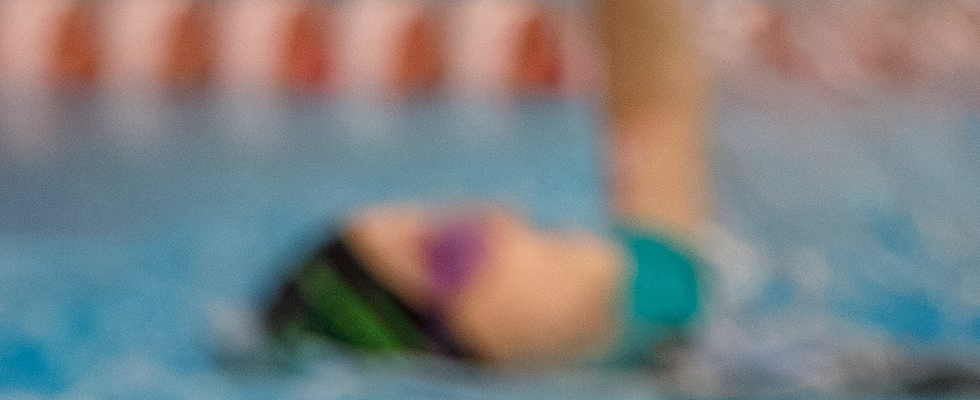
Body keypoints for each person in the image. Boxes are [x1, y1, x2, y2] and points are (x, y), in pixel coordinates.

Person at [261, 0, 711, 368]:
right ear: (440, 344)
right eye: (453, 249)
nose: (498, 213)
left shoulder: (655, 305)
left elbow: (653, 114)